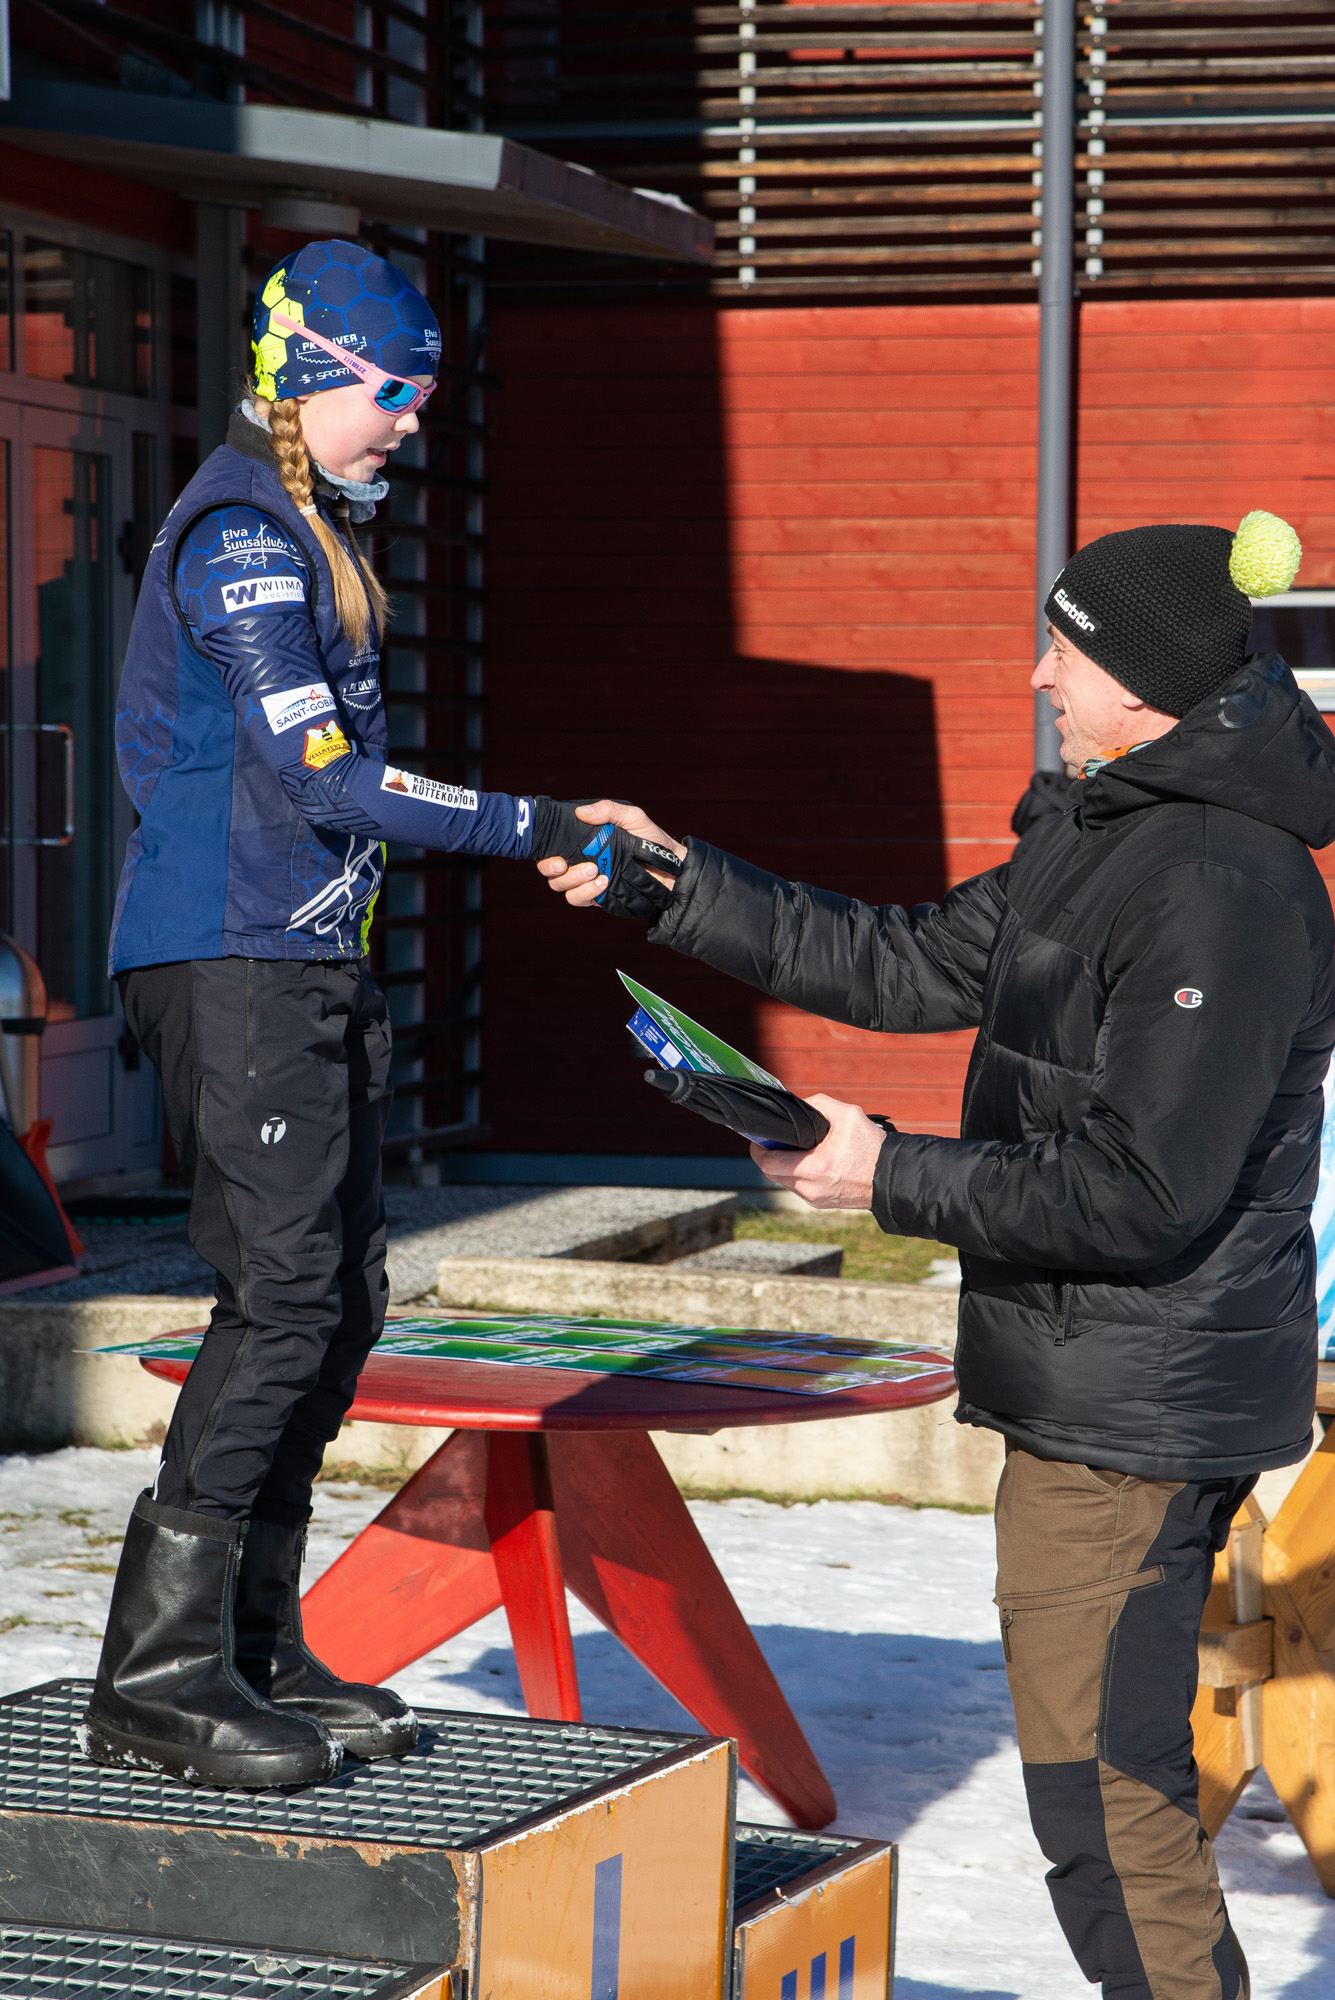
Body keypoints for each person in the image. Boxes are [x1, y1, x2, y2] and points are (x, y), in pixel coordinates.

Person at [539, 511, 1332, 2000]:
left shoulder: (1217, 885)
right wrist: (672, 879)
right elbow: (903, 960)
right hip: (1090, 1382)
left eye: (1062, 649)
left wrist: (884, 1173)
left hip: (1139, 1409)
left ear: (1143, 682)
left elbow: (1145, 1191)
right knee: (1103, 1794)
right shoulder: (1105, 827)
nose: (1037, 674)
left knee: (1108, 1806)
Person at [84, 239, 663, 1791]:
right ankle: (156, 1673)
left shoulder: (314, 526)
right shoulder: (242, 535)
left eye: (425, 393)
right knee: (281, 1297)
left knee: (339, 1299)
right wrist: (543, 821)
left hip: (305, 963)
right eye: (395, 392)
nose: (414, 420)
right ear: (307, 376)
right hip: (230, 962)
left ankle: (251, 1643)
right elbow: (323, 780)